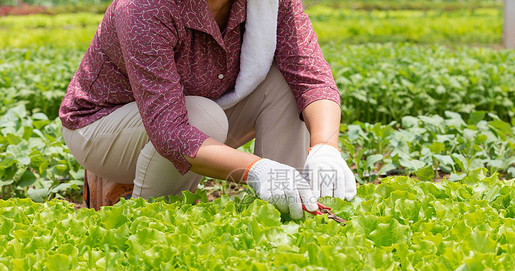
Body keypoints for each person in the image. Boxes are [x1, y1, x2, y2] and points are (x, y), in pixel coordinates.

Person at [59, 0, 356, 218]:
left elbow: (311, 77)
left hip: (203, 111)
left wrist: (325, 148)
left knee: (284, 84)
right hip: (100, 128)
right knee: (200, 116)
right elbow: (170, 131)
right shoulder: (143, 8)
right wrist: (256, 170)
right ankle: (152, 223)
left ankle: (292, 210)